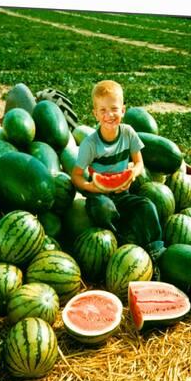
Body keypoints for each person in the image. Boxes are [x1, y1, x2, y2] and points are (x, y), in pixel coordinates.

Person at [71, 80, 165, 266]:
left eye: (114, 109)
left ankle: (156, 250)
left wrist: (133, 174)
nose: (109, 115)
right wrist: (91, 187)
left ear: (123, 110)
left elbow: (139, 163)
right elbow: (76, 175)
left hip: (123, 193)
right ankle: (120, 243)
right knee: (103, 210)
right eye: (103, 110)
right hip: (99, 196)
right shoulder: (90, 144)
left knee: (147, 206)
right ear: (95, 114)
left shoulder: (128, 133)